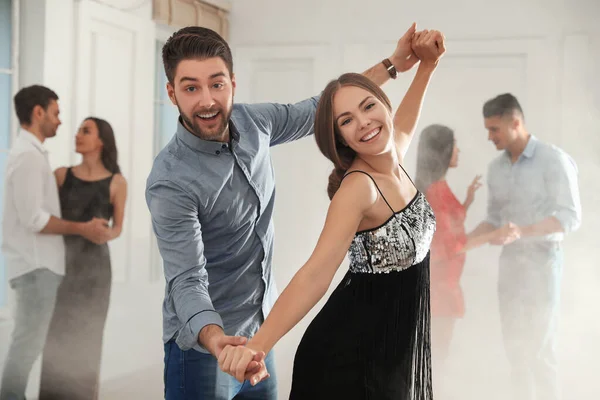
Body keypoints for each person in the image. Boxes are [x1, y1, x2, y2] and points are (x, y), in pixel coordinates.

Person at [146, 23, 425, 400]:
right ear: (171, 93)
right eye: (190, 87)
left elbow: (323, 106)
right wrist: (217, 341)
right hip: (205, 350)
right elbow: (187, 279)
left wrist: (394, 65)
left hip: (258, 333)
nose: (207, 99)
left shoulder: (254, 122)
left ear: (233, 82)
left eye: (217, 84)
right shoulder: (171, 180)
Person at [217, 30, 445, 400]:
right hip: (349, 356)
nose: (364, 123)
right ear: (340, 138)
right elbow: (315, 274)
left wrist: (427, 66)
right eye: (346, 120)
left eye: (369, 106)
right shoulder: (359, 189)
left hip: (392, 347)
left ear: (384, 105)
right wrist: (257, 346)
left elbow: (403, 124)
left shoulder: (394, 160)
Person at [0, 86, 111, 400]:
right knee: (27, 346)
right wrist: (83, 228)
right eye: (56, 113)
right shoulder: (27, 158)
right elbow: (33, 219)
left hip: (42, 269)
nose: (60, 122)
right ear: (38, 113)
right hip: (36, 269)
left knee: (29, 345)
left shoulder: (32, 156)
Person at [469, 93, 581, 400]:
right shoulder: (496, 168)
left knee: (540, 350)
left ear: (515, 123)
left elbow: (569, 218)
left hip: (543, 264)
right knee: (515, 350)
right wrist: (461, 243)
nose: (489, 137)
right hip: (510, 265)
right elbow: (493, 219)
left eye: (494, 130)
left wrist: (522, 232)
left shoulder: (553, 160)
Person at [414, 124, 515, 393]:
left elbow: (450, 229)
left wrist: (467, 202)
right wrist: (496, 233)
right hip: (440, 289)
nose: (458, 149)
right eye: (454, 144)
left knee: (436, 357)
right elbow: (452, 246)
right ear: (444, 151)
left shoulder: (438, 187)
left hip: (443, 285)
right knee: (438, 358)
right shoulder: (435, 192)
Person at [38, 117, 127, 399]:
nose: (78, 134)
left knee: (88, 337)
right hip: (61, 268)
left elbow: (118, 229)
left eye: (85, 131)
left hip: (96, 273)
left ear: (101, 141)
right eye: (78, 130)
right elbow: (45, 220)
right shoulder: (61, 175)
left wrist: (104, 234)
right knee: (56, 336)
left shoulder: (117, 182)